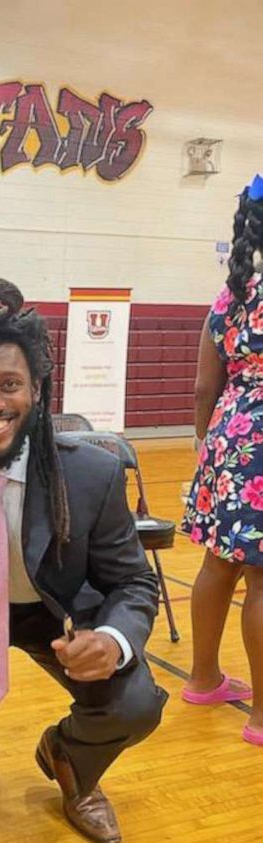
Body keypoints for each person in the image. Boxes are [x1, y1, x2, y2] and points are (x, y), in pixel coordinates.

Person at [0, 271, 168, 843]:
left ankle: (71, 763)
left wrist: (113, 641)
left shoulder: (90, 472)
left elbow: (132, 582)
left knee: (135, 704)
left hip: (56, 613)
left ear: (37, 390)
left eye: (9, 385)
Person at [180, 174, 263, 744]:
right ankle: (261, 718)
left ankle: (204, 677)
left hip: (228, 438)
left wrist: (204, 444)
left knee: (219, 563)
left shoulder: (230, 295)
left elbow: (203, 387)